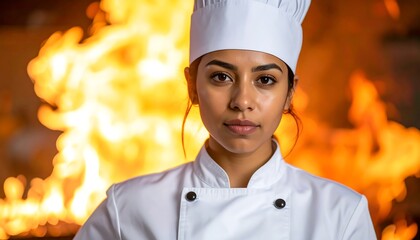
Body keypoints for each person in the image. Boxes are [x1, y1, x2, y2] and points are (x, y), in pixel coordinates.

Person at [74, 0, 377, 239]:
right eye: (221, 76)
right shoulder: (128, 209)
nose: (242, 101)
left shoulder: (341, 214)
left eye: (266, 80)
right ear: (192, 86)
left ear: (290, 93)